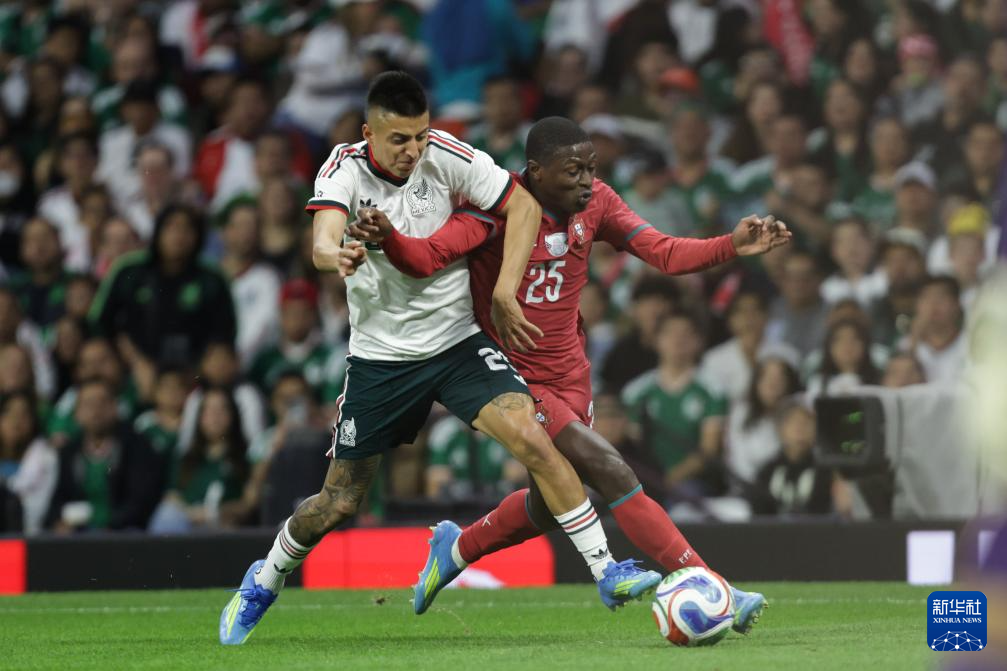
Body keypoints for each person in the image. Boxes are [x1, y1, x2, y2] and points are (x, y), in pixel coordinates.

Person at [220, 73, 655, 646]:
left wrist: (504, 292)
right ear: (368, 133)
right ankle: (266, 577)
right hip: (381, 360)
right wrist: (337, 252)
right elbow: (322, 237)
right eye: (399, 139)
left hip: (457, 344)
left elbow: (523, 205)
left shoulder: (448, 155)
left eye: (420, 135)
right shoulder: (343, 169)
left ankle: (606, 571)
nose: (413, 150)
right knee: (339, 501)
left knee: (534, 439)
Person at [348, 115, 790, 633]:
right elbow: (428, 257)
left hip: (572, 373)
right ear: (536, 171)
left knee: (547, 503)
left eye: (591, 168)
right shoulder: (495, 210)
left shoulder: (598, 203)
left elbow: (663, 251)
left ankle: (458, 547)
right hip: (513, 377)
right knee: (610, 468)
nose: (586, 181)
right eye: (573, 170)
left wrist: (731, 245)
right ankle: (716, 587)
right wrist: (390, 237)